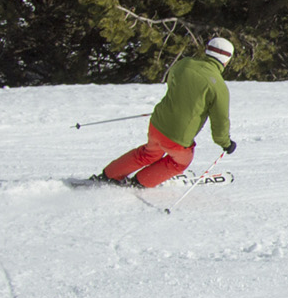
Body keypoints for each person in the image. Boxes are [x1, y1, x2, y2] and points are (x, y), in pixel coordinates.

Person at [92, 38, 237, 187]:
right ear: (227, 60)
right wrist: (226, 144)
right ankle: (141, 182)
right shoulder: (219, 87)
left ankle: (109, 175)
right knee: (180, 162)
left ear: (207, 50)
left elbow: (172, 83)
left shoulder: (185, 64)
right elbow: (220, 122)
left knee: (148, 153)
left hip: (157, 123)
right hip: (178, 138)